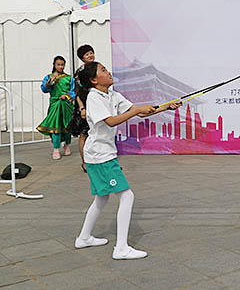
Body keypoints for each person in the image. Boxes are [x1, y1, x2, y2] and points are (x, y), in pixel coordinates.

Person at [74, 61, 181, 260]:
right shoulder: (94, 97)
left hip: (102, 153)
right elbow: (111, 121)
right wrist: (134, 111)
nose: (108, 72)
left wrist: (167, 106)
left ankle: (84, 238)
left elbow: (140, 111)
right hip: (100, 155)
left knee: (102, 198)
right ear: (94, 80)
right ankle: (121, 248)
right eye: (103, 70)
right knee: (127, 196)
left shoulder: (113, 95)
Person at [37, 56, 75, 160]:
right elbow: (44, 89)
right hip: (55, 105)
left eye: (62, 65)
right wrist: (50, 82)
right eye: (58, 64)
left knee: (67, 126)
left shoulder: (69, 78)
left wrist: (66, 96)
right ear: (54, 65)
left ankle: (67, 145)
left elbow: (73, 91)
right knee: (55, 127)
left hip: (67, 105)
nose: (60, 67)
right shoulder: (49, 77)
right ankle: (56, 149)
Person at [70, 44, 96, 173]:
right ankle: (85, 163)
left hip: (96, 103)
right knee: (84, 135)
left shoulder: (97, 67)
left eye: (91, 52)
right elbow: (77, 92)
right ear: (82, 58)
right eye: (87, 54)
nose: (90, 55)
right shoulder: (80, 71)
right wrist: (82, 108)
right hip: (84, 105)